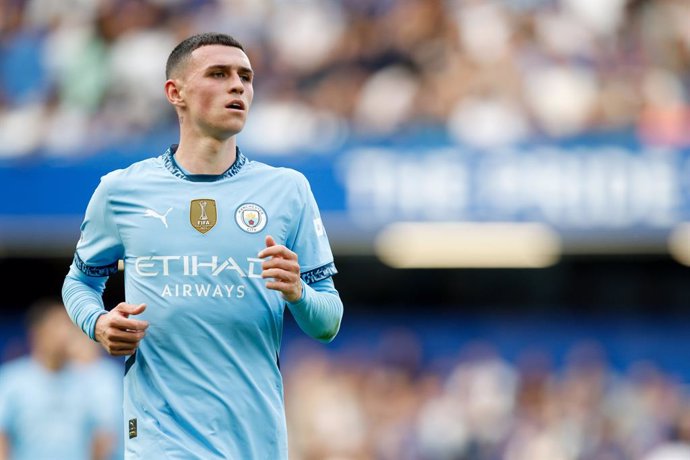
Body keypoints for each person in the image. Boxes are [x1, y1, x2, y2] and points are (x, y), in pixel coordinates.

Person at [61, 32, 343, 459]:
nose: (238, 86)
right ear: (176, 93)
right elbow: (79, 282)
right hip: (160, 438)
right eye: (219, 74)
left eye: (245, 77)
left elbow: (329, 321)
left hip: (255, 439)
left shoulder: (288, 190)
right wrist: (97, 324)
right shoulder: (122, 191)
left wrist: (297, 293)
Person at [0, 298, 116, 460]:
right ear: (37, 333)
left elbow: (102, 435)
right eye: (57, 327)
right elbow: (2, 435)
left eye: (69, 327)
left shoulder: (89, 379)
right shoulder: (12, 379)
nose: (64, 335)